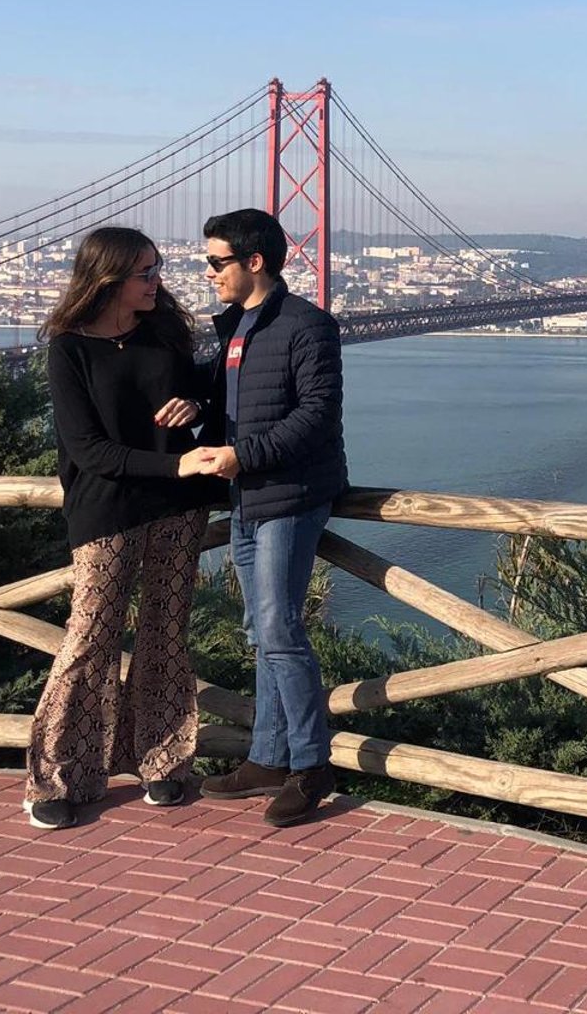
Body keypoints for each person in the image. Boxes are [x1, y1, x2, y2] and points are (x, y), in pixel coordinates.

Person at [27, 226, 218, 832]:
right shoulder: (69, 349)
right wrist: (175, 464)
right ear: (107, 278)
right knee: (90, 636)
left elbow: (206, 392)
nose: (158, 279)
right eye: (145, 272)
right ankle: (58, 778)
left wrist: (198, 407)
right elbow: (87, 449)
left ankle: (162, 762)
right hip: (106, 509)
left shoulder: (165, 332)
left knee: (165, 634)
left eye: (157, 268)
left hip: (178, 507)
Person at [185, 208, 348, 827]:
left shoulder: (309, 325)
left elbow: (316, 416)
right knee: (261, 632)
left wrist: (241, 456)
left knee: (280, 629)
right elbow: (234, 404)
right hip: (245, 497)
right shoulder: (236, 327)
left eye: (216, 261)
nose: (208, 272)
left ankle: (311, 765)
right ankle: (268, 757)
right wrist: (191, 406)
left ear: (254, 262)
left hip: (290, 496)